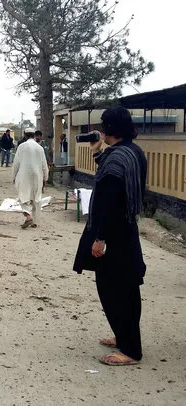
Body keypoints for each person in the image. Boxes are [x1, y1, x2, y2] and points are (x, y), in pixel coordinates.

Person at [73, 106, 147, 367]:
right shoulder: (131, 152)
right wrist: (96, 150)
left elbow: (108, 200)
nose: (101, 131)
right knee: (125, 287)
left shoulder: (116, 158)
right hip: (126, 227)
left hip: (113, 232)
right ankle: (123, 336)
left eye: (104, 127)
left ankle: (130, 350)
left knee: (114, 290)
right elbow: (108, 170)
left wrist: (100, 238)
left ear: (110, 129)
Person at [12, 129, 49, 229]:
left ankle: (28, 217)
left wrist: (14, 176)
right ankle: (35, 222)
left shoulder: (21, 146)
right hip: (37, 176)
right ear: (34, 136)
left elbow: (16, 163)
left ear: (25, 136)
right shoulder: (39, 148)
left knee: (23, 197)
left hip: (23, 175)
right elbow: (44, 165)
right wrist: (45, 178)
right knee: (36, 198)